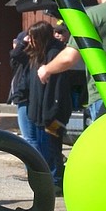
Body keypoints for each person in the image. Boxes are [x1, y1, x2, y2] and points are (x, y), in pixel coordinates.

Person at [24, 21, 72, 189]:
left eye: (32, 37)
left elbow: (57, 89)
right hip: (38, 112)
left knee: (51, 148)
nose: (29, 40)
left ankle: (56, 182)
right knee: (44, 150)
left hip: (52, 114)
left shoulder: (54, 54)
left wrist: (50, 115)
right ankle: (50, 181)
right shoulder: (38, 55)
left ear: (41, 37)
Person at [8, 29, 38, 152]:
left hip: (27, 98)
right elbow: (14, 56)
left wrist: (23, 43)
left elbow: (16, 53)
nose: (15, 45)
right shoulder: (19, 61)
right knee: (30, 137)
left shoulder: (29, 56)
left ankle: (35, 168)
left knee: (29, 138)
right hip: (22, 98)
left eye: (17, 42)